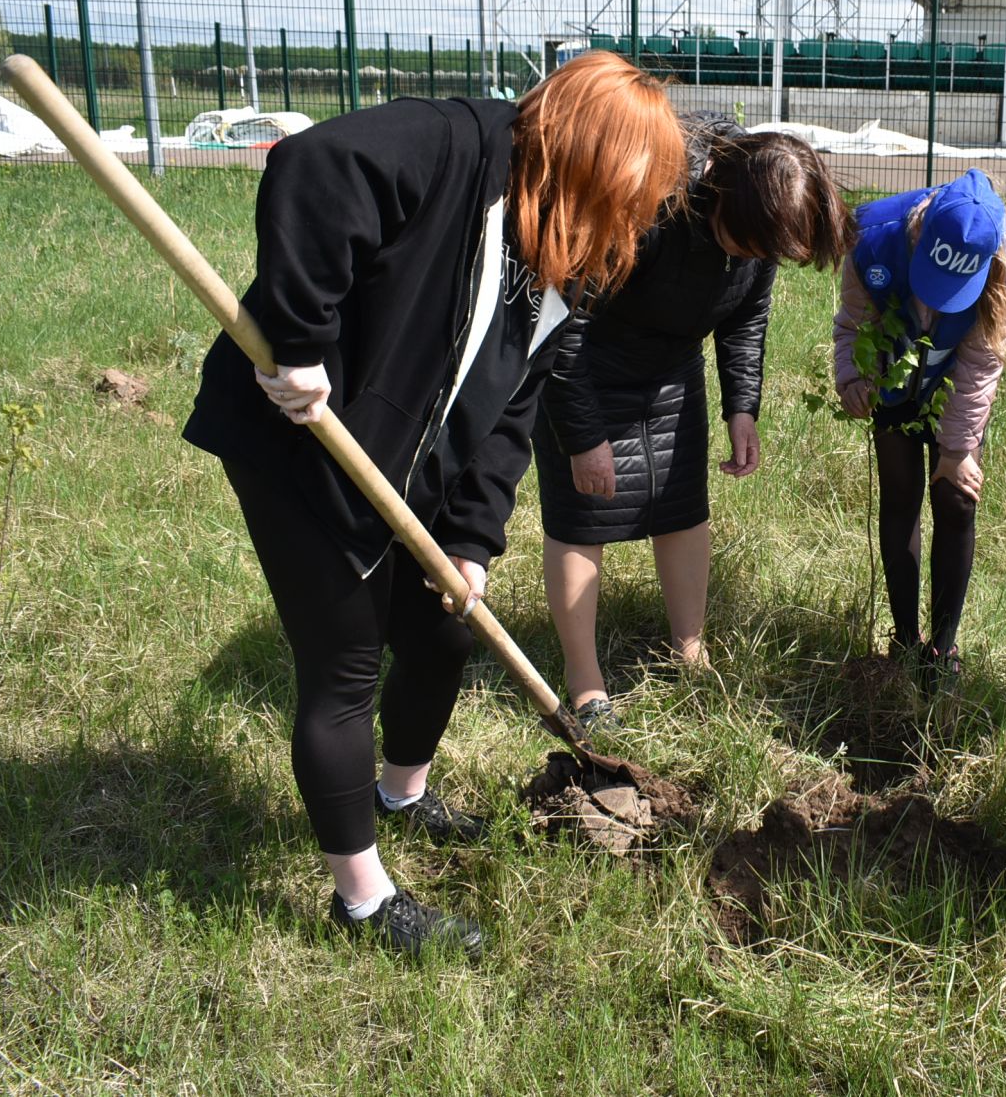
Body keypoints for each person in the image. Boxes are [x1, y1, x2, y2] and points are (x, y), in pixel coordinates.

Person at [182, 52, 686, 959]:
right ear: (583, 152)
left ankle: (401, 792)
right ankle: (363, 900)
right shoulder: (454, 147)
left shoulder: (559, 251)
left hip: (403, 460)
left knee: (446, 630)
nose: (631, 222)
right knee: (344, 666)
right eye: (629, 193)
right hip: (298, 441)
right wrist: (299, 341)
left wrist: (471, 542)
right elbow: (313, 168)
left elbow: (512, 414)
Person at [536, 116, 854, 730]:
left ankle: (690, 651)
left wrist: (743, 406)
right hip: (585, 364)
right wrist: (583, 436)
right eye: (752, 246)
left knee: (681, 505)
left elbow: (746, 318)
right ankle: (586, 684)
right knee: (584, 515)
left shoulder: (758, 220)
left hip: (671, 368)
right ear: (723, 195)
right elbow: (560, 329)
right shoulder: (645, 199)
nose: (758, 260)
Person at [832, 168, 1006, 688]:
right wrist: (853, 374)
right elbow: (854, 320)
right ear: (920, 236)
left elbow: (982, 362)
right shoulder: (873, 238)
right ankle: (904, 639)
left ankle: (942, 648)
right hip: (892, 381)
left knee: (956, 496)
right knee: (900, 493)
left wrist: (957, 449)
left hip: (954, 386)